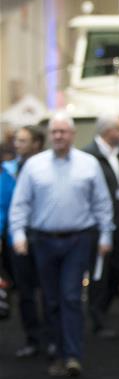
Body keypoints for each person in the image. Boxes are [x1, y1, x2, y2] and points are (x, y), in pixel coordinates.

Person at [8, 112, 114, 377]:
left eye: (63, 131)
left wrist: (105, 236)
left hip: (78, 240)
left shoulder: (89, 164)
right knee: (51, 299)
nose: (58, 136)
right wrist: (18, 235)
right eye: (54, 131)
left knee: (70, 297)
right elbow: (20, 204)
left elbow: (102, 204)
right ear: (49, 135)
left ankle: (72, 356)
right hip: (42, 241)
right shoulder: (35, 165)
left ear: (72, 134)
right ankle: (56, 350)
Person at [83, 114, 119, 337]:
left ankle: (101, 308)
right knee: (99, 273)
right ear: (108, 131)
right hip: (97, 225)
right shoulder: (89, 155)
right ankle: (96, 318)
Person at [0, 124, 47, 357]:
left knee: (49, 291)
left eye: (22, 140)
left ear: (36, 144)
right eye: (16, 140)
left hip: (44, 237)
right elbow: (2, 207)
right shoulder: (8, 170)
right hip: (15, 240)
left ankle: (52, 338)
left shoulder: (48, 167)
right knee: (25, 293)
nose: (17, 144)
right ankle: (33, 339)